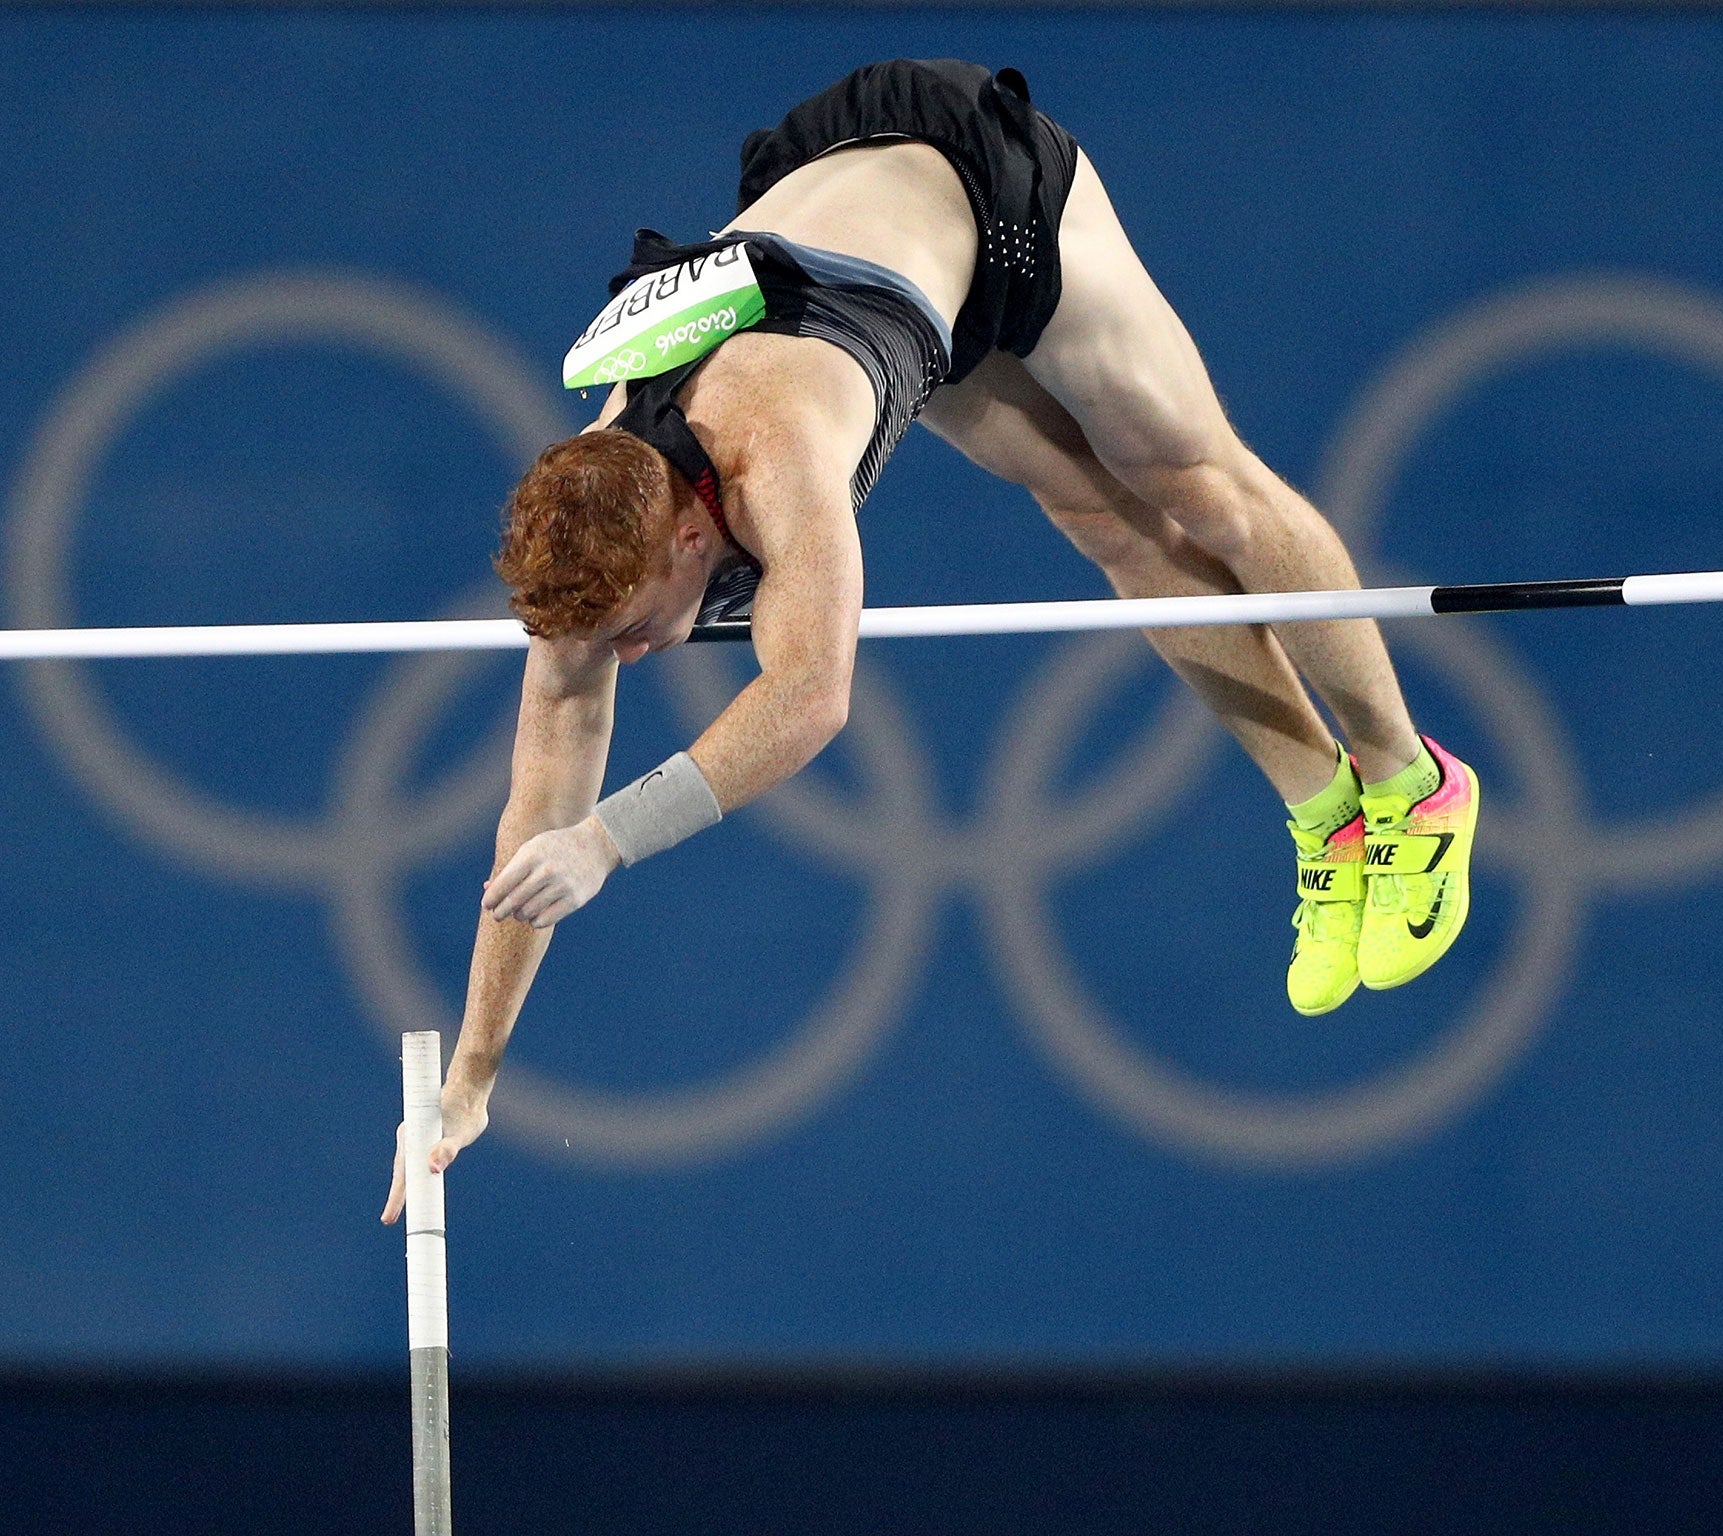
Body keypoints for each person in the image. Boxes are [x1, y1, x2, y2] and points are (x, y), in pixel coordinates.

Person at [382, 59, 1477, 1223]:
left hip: (971, 197)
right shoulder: (593, 540)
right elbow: (530, 825)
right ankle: (1325, 810)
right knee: (1098, 517)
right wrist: (472, 1079)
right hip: (844, 237)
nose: (639, 652)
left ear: (689, 539)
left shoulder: (775, 450)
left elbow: (809, 698)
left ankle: (1414, 781)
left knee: (1198, 487)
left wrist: (612, 841)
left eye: (642, 626)